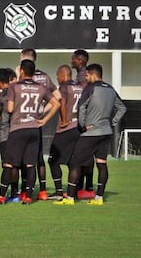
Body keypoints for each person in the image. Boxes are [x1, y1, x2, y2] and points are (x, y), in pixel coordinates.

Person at [0, 59, 60, 205]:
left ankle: (1, 197)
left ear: (21, 71)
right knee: (30, 164)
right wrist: (44, 120)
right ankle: (27, 197)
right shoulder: (41, 87)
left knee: (9, 164)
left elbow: (9, 109)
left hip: (18, 128)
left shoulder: (15, 87)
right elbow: (56, 103)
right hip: (34, 129)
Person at [54, 63, 126, 206]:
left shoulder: (90, 88)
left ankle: (69, 198)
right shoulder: (111, 89)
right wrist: (112, 122)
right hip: (106, 132)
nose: (85, 78)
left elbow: (82, 107)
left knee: (75, 162)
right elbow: (122, 108)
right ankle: (98, 198)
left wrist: (82, 126)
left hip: (91, 133)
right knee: (101, 164)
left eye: (87, 75)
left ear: (93, 74)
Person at [16, 49, 61, 201]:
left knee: (24, 159)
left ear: (24, 59)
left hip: (21, 122)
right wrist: (42, 111)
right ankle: (42, 190)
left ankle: (24, 191)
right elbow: (58, 97)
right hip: (37, 122)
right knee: (39, 157)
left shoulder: (22, 76)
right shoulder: (45, 77)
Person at [47, 65, 83, 200]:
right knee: (73, 162)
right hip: (78, 127)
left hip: (66, 129)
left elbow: (62, 103)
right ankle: (71, 193)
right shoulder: (80, 87)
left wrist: (63, 121)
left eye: (58, 75)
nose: (57, 78)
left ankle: (59, 191)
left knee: (53, 160)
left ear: (63, 74)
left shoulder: (64, 87)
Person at [0, 68, 18, 202]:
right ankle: (15, 193)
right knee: (17, 165)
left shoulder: (1, 96)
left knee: (7, 165)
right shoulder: (18, 92)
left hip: (6, 135)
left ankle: (2, 195)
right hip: (19, 132)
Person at [71, 49, 94, 199]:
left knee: (84, 154)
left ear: (80, 60)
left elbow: (86, 98)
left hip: (86, 119)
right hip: (87, 118)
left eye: (73, 58)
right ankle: (85, 186)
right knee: (85, 153)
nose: (71, 60)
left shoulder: (83, 76)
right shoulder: (82, 75)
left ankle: (87, 186)